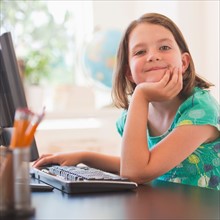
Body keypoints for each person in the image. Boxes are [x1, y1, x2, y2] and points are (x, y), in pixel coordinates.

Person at [33, 13, 220, 190]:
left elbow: (136, 173)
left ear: (184, 62)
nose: (153, 56)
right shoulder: (135, 115)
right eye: (140, 52)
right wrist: (84, 156)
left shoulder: (200, 109)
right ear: (129, 72)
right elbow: (137, 163)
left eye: (164, 47)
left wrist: (141, 94)